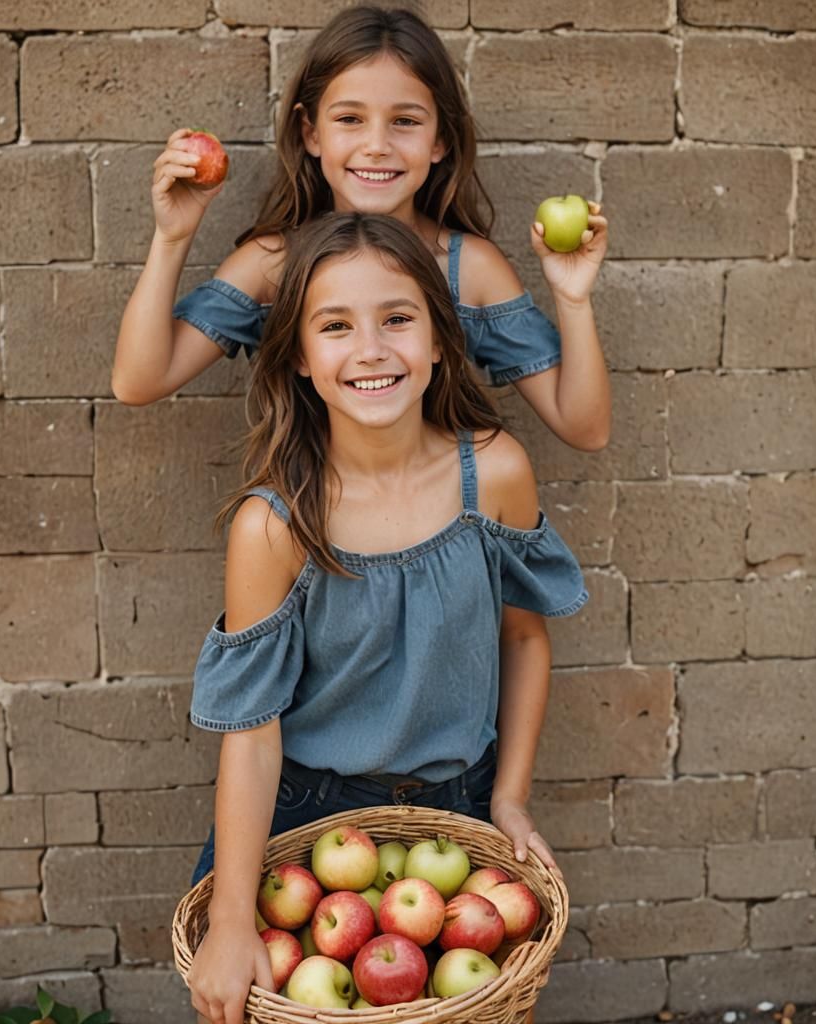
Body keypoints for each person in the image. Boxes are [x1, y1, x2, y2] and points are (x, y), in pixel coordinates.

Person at [184, 212, 587, 1024]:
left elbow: (523, 637)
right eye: (335, 327)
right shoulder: (274, 526)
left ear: (441, 341)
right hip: (303, 827)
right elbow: (252, 730)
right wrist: (232, 917)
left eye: (398, 319)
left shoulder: (495, 472)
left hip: (457, 813)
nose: (371, 349)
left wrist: (508, 798)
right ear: (300, 358)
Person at [112, 5, 610, 452]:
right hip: (313, 526)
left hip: (442, 525)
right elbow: (138, 382)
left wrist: (572, 298)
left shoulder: (469, 269)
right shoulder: (274, 264)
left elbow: (585, 429)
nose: (376, 145)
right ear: (311, 133)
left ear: (440, 140)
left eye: (406, 122)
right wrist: (173, 237)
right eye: (350, 118)